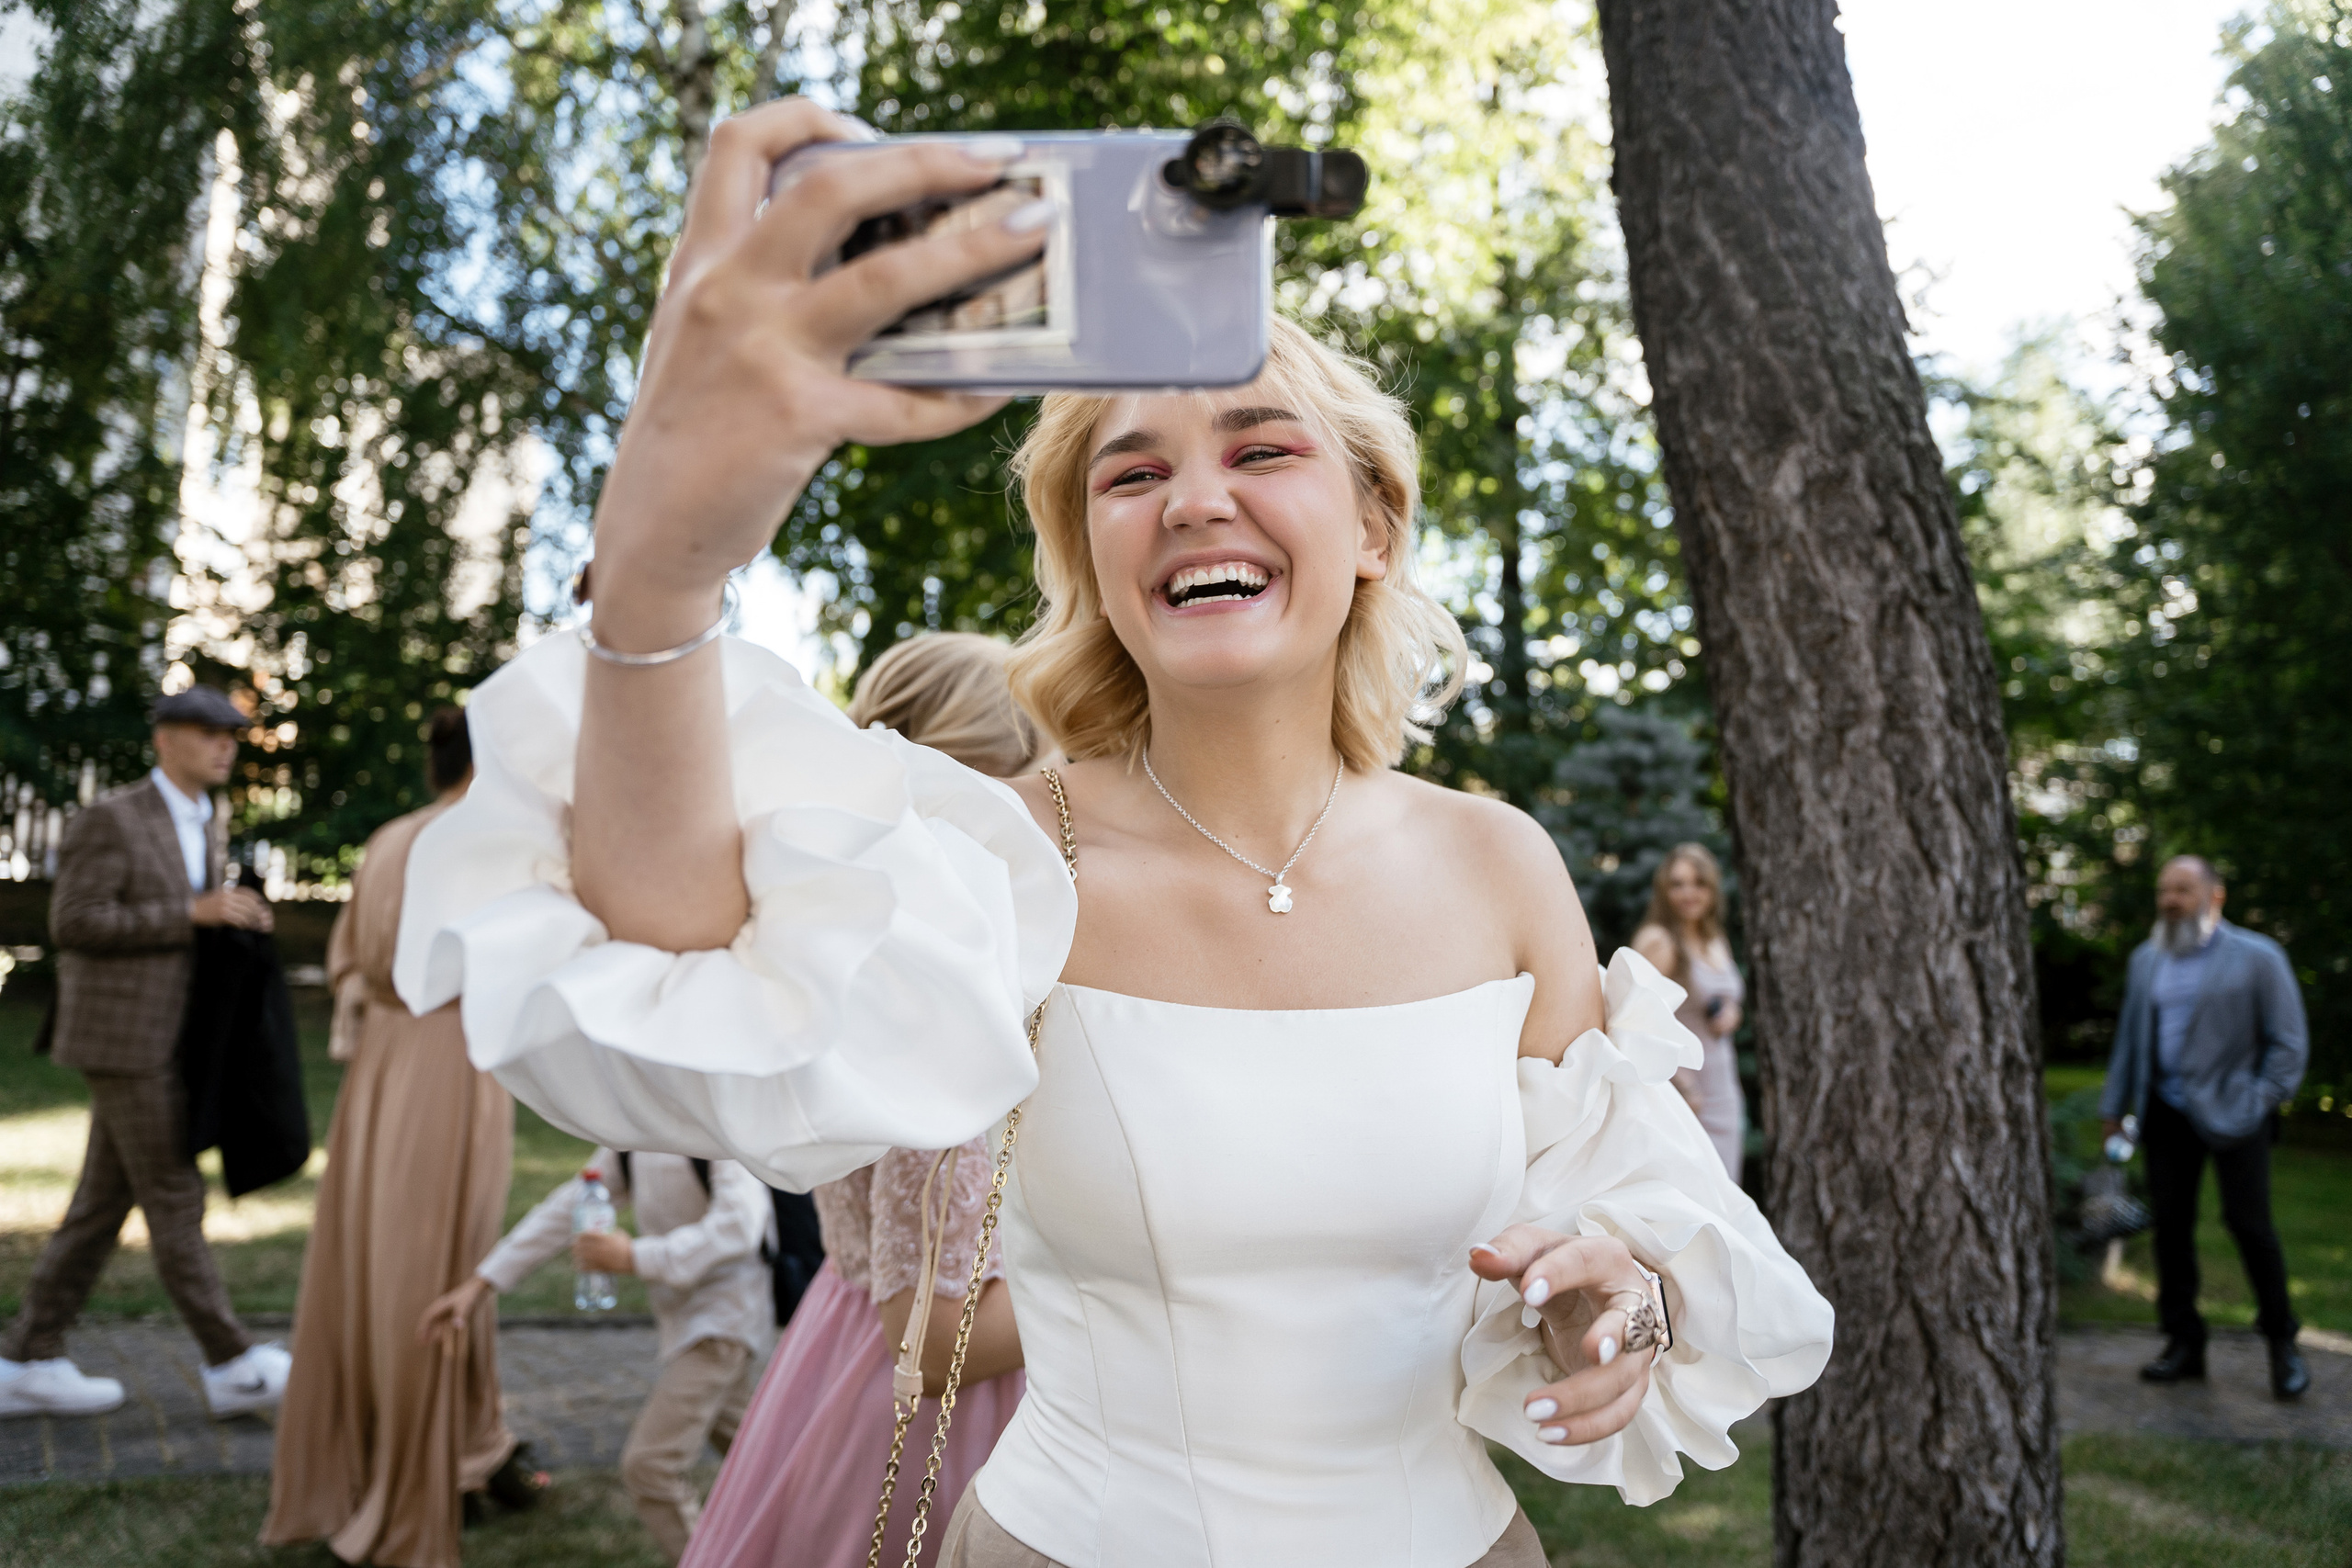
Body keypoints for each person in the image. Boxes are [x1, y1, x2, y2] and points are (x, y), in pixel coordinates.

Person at [394, 100, 1834, 1568]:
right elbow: (666, 973)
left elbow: (1624, 1194)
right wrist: (662, 567)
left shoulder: (1495, 861)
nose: (1196, 495)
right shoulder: (998, 858)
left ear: (1376, 525)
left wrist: (1622, 1291)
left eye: (1262, 448)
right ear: (1095, 555)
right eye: (1132, 473)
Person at [684, 632, 1042, 1568]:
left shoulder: (869, 944)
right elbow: (926, 1346)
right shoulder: (939, 998)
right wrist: (1134, 1283)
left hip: (837, 1357)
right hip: (949, 1423)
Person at [263, 708, 544, 1568]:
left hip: (382, 1064)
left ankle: (463, 1448)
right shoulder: (480, 847)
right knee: (437, 1266)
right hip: (451, 1062)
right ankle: (428, 1471)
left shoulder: (389, 839)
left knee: (375, 1263)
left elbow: (349, 957)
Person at [0, 687, 291, 1421]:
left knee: (99, 1207)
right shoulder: (114, 816)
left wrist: (231, 914)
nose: (226, 745)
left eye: (233, 735)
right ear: (165, 739)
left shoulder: (205, 819)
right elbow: (75, 920)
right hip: (123, 1041)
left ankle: (24, 1358)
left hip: (172, 1037)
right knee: (173, 1193)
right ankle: (232, 1362)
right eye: (209, 733)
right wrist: (191, 912)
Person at [418, 1147, 776, 1562]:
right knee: (759, 1458)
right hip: (689, 1323)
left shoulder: (715, 1130)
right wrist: (481, 1283)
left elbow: (741, 1225)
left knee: (651, 1468)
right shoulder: (631, 1138)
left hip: (725, 1324)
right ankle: (811, 1534)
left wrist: (635, 1257)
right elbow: (567, 1206)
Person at [2100, 855, 2310, 1400]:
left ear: (2215, 895)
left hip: (2237, 1115)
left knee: (2250, 1226)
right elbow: (2129, 1040)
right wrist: (2112, 1108)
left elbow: (2289, 1044)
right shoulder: (2148, 958)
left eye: (2183, 890)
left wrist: (2260, 1100)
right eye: (2164, 890)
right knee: (2171, 1231)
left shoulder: (2260, 957)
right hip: (2164, 1115)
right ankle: (2183, 1343)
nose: (2171, 899)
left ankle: (2282, 1343)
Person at [1629, 845, 1746, 1180]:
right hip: (1685, 1093)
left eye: (1698, 883)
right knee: (1696, 1194)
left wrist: (1732, 1011)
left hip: (1723, 1086)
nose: (1688, 893)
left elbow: (1726, 995)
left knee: (1728, 1193)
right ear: (1664, 891)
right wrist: (1684, 1084)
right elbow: (1633, 1020)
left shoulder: (1713, 938)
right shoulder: (1660, 941)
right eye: (1677, 884)